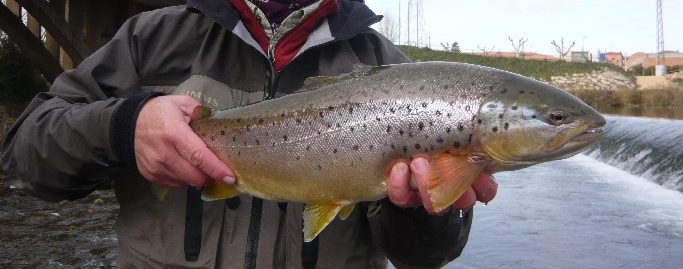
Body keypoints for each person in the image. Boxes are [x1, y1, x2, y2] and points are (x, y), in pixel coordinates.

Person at [1, 0, 497, 268]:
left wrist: (418, 211)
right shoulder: (150, 40)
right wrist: (123, 127)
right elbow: (25, 157)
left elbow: (429, 257)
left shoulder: (399, 78)